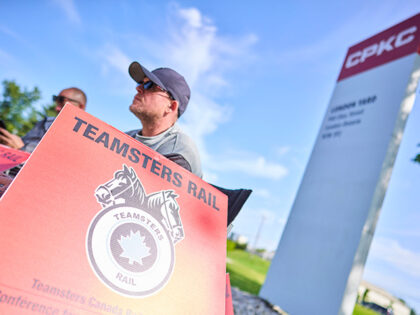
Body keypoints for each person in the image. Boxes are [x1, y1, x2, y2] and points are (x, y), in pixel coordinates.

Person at [126, 61, 202, 178]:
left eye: (149, 85)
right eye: (140, 83)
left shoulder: (179, 150)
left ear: (171, 106)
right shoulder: (126, 137)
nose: (139, 88)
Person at [0, 87, 87, 153]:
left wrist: (22, 149)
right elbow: (22, 142)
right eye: (56, 101)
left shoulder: (85, 139)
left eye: (62, 101)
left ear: (80, 106)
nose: (56, 108)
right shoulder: (45, 123)